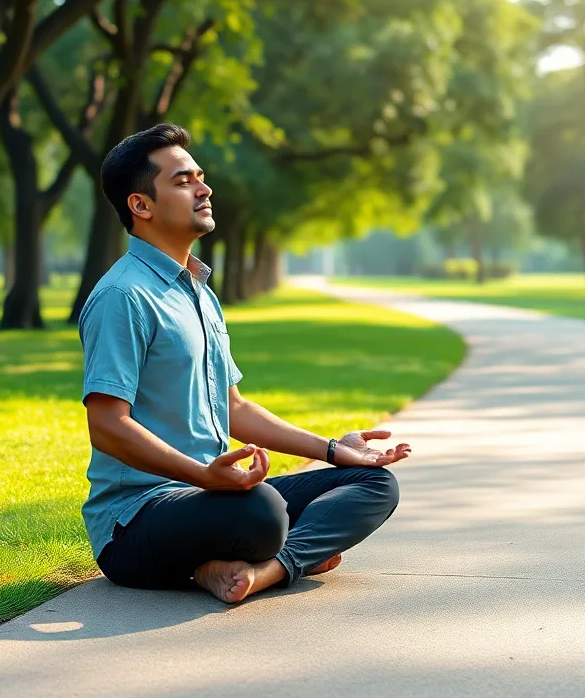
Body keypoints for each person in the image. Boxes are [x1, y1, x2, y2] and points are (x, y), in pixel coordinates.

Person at [78, 123, 411, 605]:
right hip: (138, 520)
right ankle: (264, 554)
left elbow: (233, 408)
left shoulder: (199, 293)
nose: (204, 187)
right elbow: (107, 426)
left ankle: (265, 569)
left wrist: (336, 449)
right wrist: (205, 477)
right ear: (141, 205)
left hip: (213, 497)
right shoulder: (123, 296)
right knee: (263, 512)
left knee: (373, 483)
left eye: (200, 176)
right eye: (183, 180)